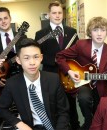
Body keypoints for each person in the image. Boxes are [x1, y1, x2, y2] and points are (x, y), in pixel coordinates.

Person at [56, 16, 107, 130]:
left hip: (101, 86)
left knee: (100, 113)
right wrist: (69, 71)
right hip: (83, 83)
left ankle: (92, 124)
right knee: (84, 98)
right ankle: (88, 122)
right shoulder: (81, 45)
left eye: (103, 30)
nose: (99, 34)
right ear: (90, 32)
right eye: (95, 30)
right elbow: (60, 56)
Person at [0, 38, 70, 130]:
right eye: (26, 58)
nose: (32, 63)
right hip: (29, 127)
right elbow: (1, 109)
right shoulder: (12, 83)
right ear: (18, 60)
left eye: (36, 57)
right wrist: (19, 124)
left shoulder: (53, 79)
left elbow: (63, 111)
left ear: (41, 58)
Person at [35, 1, 79, 129]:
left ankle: (75, 125)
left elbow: (76, 54)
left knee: (71, 103)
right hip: (50, 73)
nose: (57, 15)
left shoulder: (72, 32)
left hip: (68, 74)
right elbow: (38, 55)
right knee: (53, 104)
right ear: (49, 15)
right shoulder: (41, 34)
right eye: (54, 13)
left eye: (60, 12)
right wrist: (54, 60)